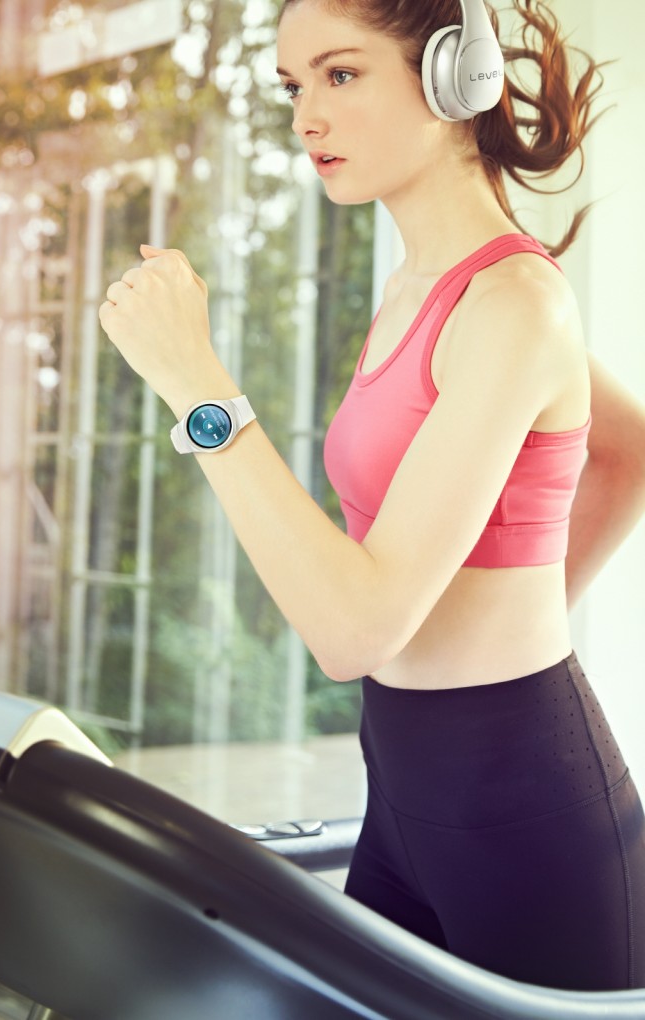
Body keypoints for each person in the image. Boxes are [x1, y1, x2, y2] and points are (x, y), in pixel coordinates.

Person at [99, 0, 645, 992]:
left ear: (455, 77)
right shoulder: (418, 288)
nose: (306, 116)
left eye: (341, 74)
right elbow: (627, 451)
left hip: (527, 813)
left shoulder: (516, 304)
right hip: (401, 787)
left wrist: (197, 386)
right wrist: (501, 612)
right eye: (293, 85)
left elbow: (353, 633)